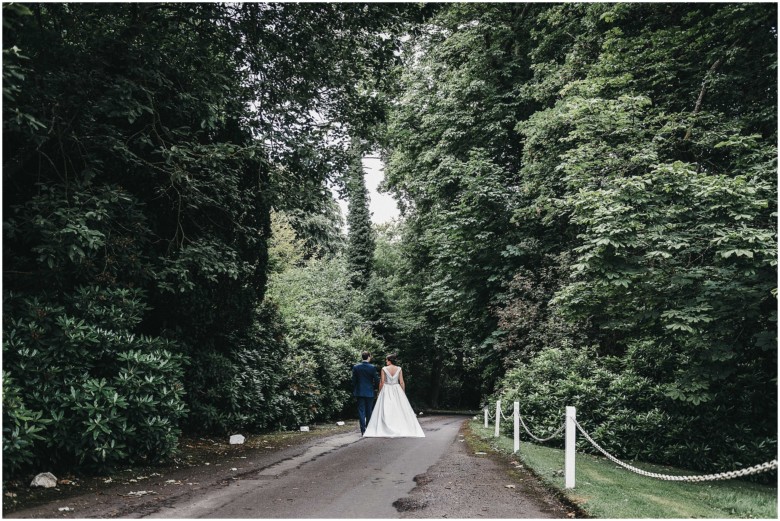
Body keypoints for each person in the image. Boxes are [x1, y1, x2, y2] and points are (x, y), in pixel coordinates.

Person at [363, 354, 425, 438]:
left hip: (387, 389)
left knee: (386, 408)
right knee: (398, 408)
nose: (386, 361)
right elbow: (402, 382)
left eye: (386, 360)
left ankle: (386, 426)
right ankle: (399, 426)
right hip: (397, 389)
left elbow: (382, 382)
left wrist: (379, 392)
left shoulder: (384, 369)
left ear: (389, 360)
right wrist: (402, 392)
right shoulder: (399, 369)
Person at [352, 351, 379, 435]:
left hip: (359, 391)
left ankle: (363, 430)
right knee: (369, 411)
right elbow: (377, 380)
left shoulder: (356, 367)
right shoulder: (372, 367)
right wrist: (374, 388)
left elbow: (353, 381)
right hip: (369, 391)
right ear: (369, 357)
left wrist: (355, 389)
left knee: (361, 411)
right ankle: (368, 429)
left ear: (362, 357)